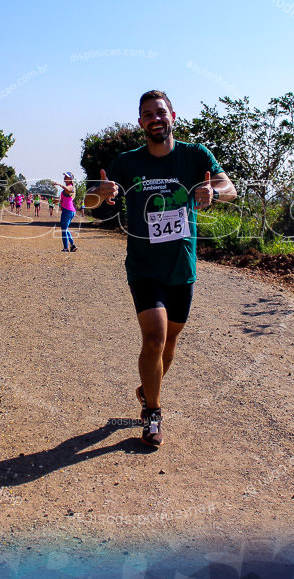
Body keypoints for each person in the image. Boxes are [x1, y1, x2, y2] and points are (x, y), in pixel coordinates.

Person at [88, 90, 236, 447]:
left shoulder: (195, 155)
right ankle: (153, 414)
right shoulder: (127, 162)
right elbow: (91, 202)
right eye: (147, 114)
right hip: (143, 264)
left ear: (173, 116)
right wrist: (99, 191)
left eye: (160, 112)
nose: (155, 118)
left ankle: (145, 389)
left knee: (170, 342)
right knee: (154, 336)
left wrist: (213, 191)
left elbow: (229, 187)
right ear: (141, 123)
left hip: (181, 264)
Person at [52, 172, 78, 252]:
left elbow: (68, 190)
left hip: (68, 210)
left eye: (67, 177)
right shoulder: (66, 188)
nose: (65, 177)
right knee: (65, 229)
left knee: (64, 229)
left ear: (70, 179)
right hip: (68, 210)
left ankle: (66, 248)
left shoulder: (70, 187)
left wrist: (59, 184)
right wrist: (56, 201)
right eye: (65, 176)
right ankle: (72, 245)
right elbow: (61, 199)